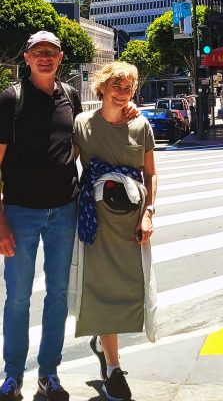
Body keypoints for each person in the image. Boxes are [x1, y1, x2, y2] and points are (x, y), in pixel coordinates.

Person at [0, 30, 82, 401]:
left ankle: (48, 372)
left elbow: (82, 142)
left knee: (59, 294)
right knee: (17, 297)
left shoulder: (71, 96)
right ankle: (13, 375)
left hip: (65, 210)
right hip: (19, 212)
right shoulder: (10, 98)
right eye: (38, 52)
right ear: (27, 58)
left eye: (51, 52)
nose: (45, 57)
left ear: (60, 58)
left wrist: (126, 108)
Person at [72, 61, 157, 401]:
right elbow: (64, 160)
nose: (122, 93)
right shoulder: (82, 124)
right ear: (103, 87)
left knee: (132, 288)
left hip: (133, 221)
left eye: (128, 88)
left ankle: (104, 348)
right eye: (116, 86)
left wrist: (149, 212)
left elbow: (150, 173)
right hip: (97, 221)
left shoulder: (141, 123)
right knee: (104, 290)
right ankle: (113, 368)